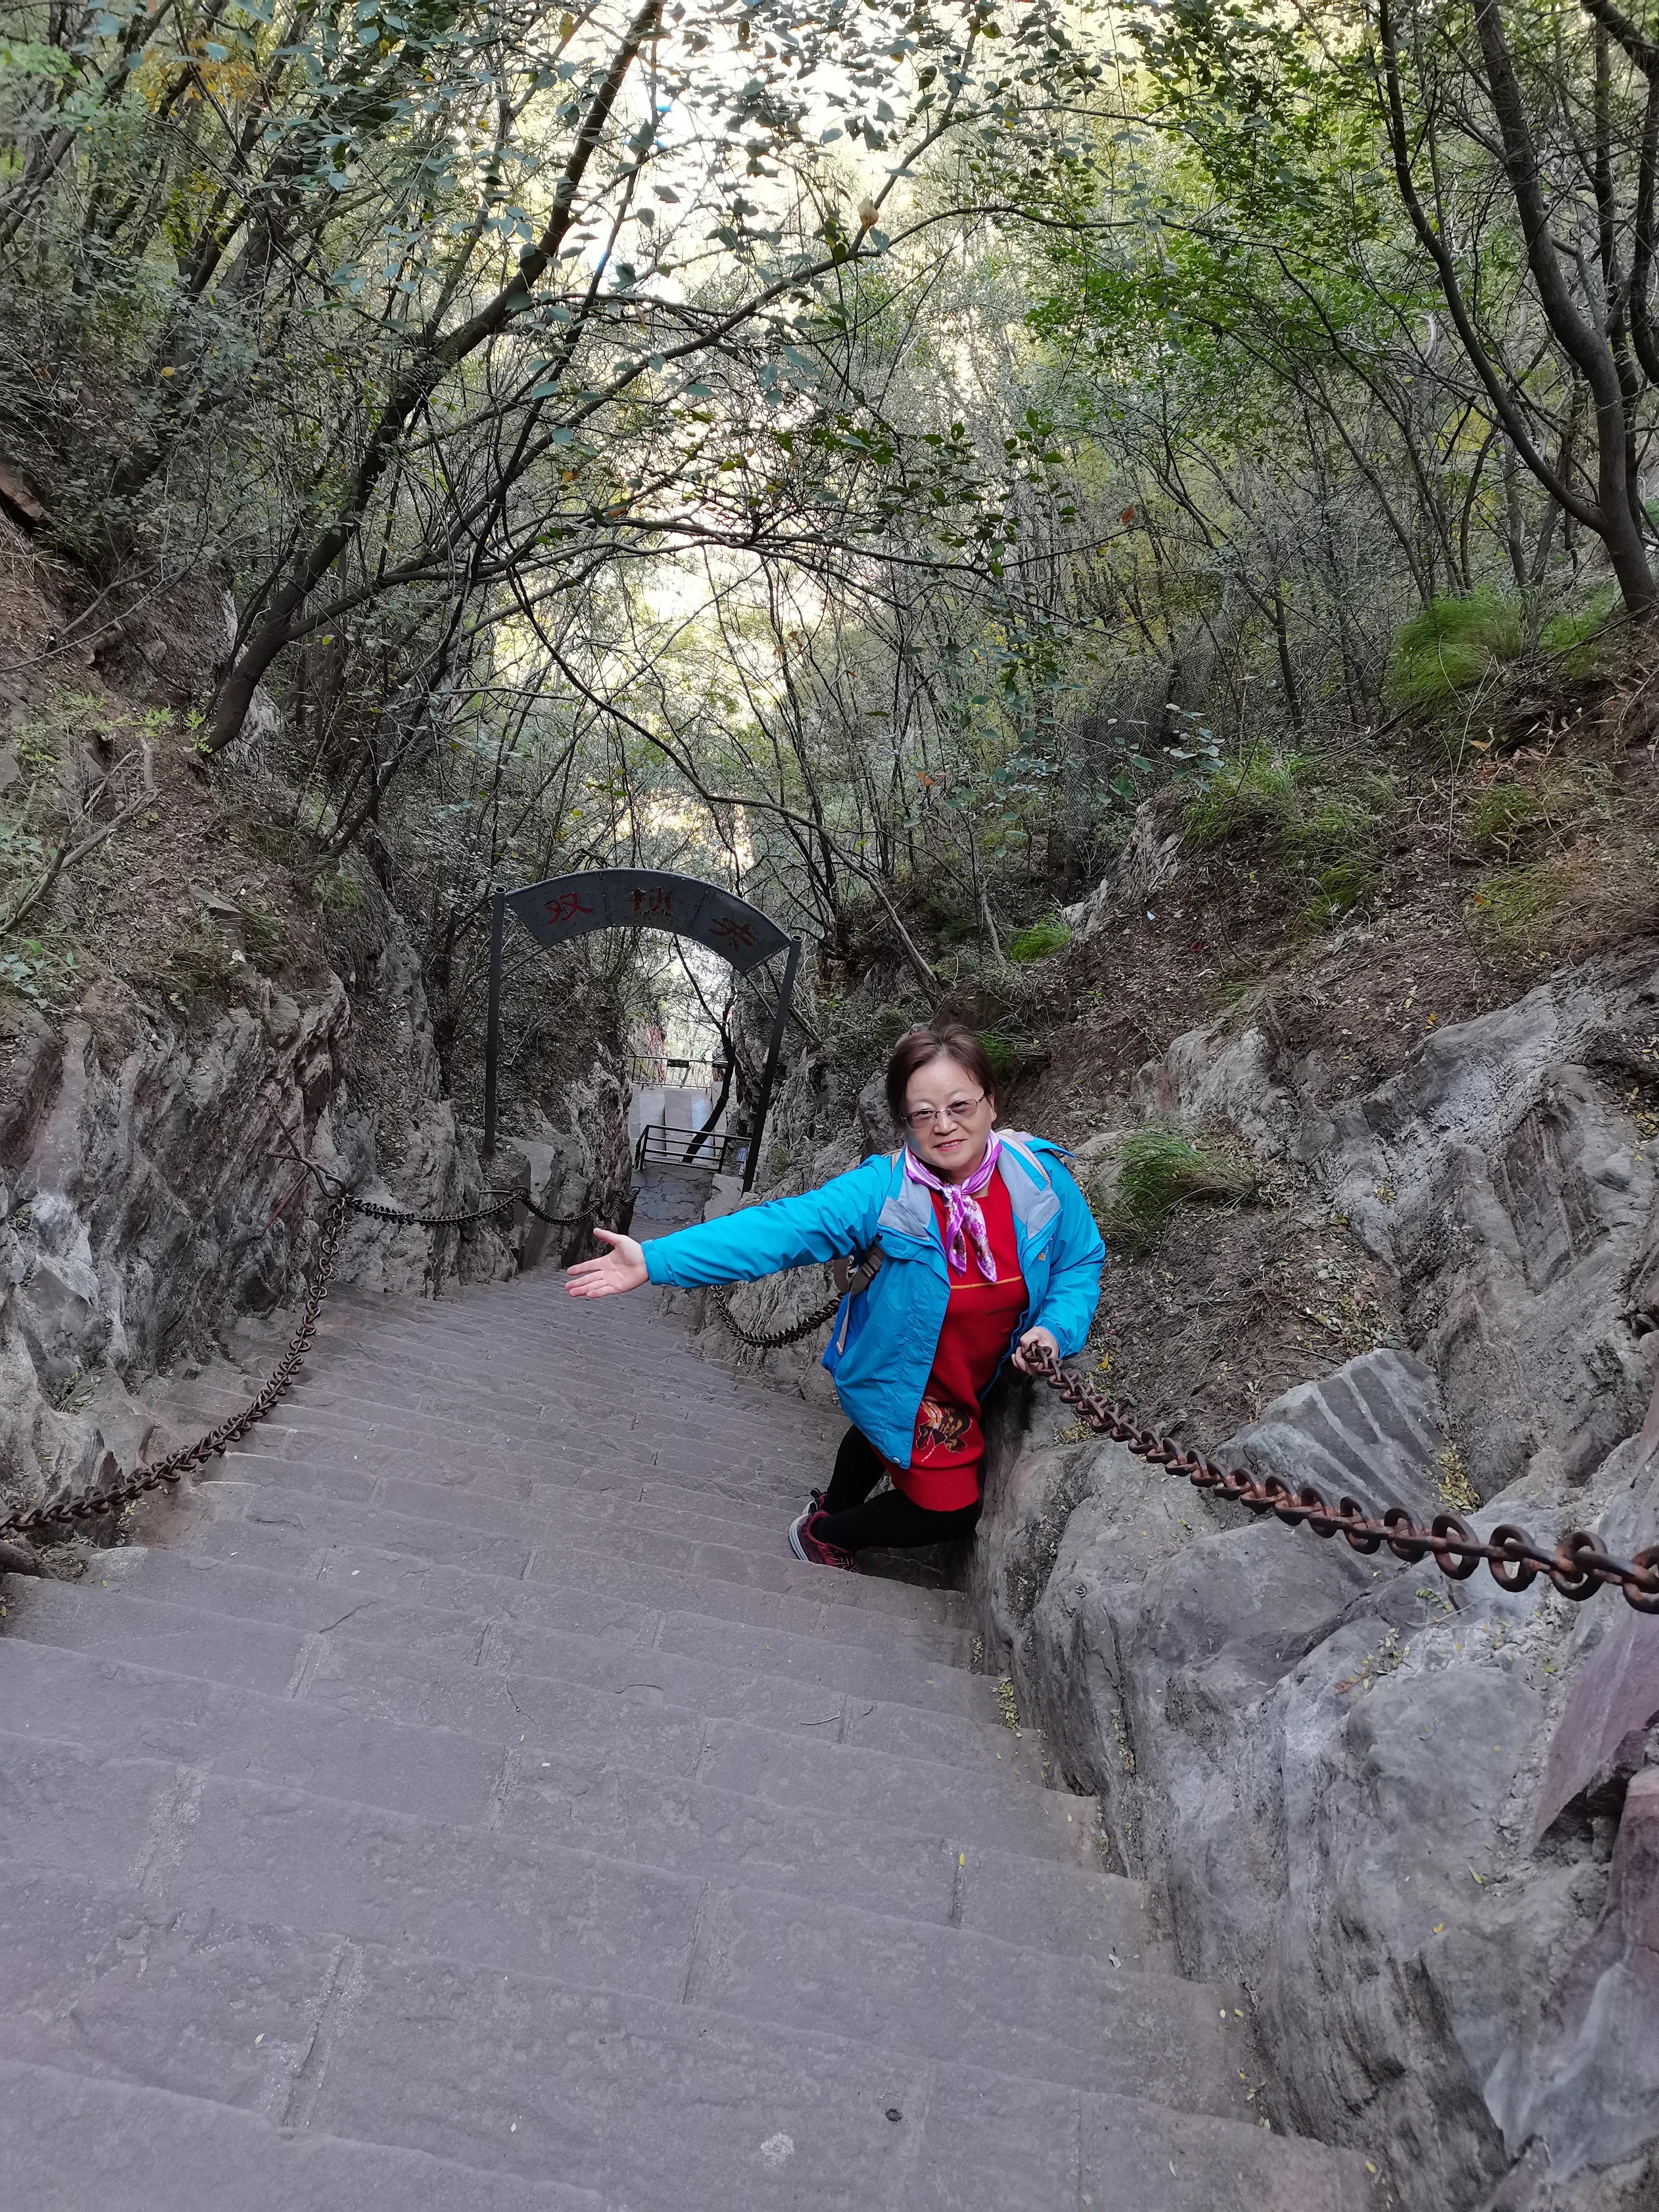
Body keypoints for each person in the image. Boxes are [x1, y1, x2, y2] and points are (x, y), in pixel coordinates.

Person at [566, 1022, 1105, 1570]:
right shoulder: (884, 1192)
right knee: (950, 1512)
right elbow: (781, 1230)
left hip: (973, 1379)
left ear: (992, 1103)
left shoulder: (1040, 1182)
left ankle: (831, 1507)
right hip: (901, 1377)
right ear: (906, 1123)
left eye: (960, 1105)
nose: (945, 1126)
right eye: (923, 1113)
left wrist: (1055, 1327)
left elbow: (1079, 1261)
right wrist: (656, 1260)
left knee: (874, 1436)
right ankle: (828, 1534)